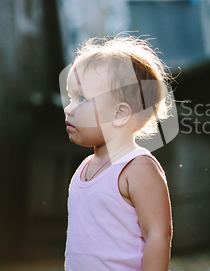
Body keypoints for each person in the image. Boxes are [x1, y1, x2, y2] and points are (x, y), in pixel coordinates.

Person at [63, 35, 173, 271]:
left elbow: (158, 235)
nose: (68, 108)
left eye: (81, 99)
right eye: (70, 97)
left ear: (120, 114)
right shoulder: (85, 168)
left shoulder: (137, 168)